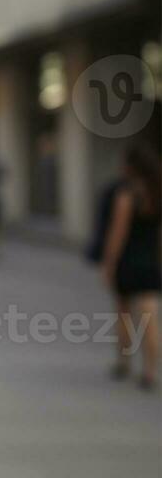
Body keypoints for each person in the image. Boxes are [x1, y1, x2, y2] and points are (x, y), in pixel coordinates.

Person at [101, 141, 161, 391]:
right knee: (150, 319)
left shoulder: (126, 195)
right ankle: (149, 371)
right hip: (151, 262)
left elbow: (118, 233)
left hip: (128, 261)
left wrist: (109, 264)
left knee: (123, 314)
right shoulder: (157, 193)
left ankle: (124, 361)